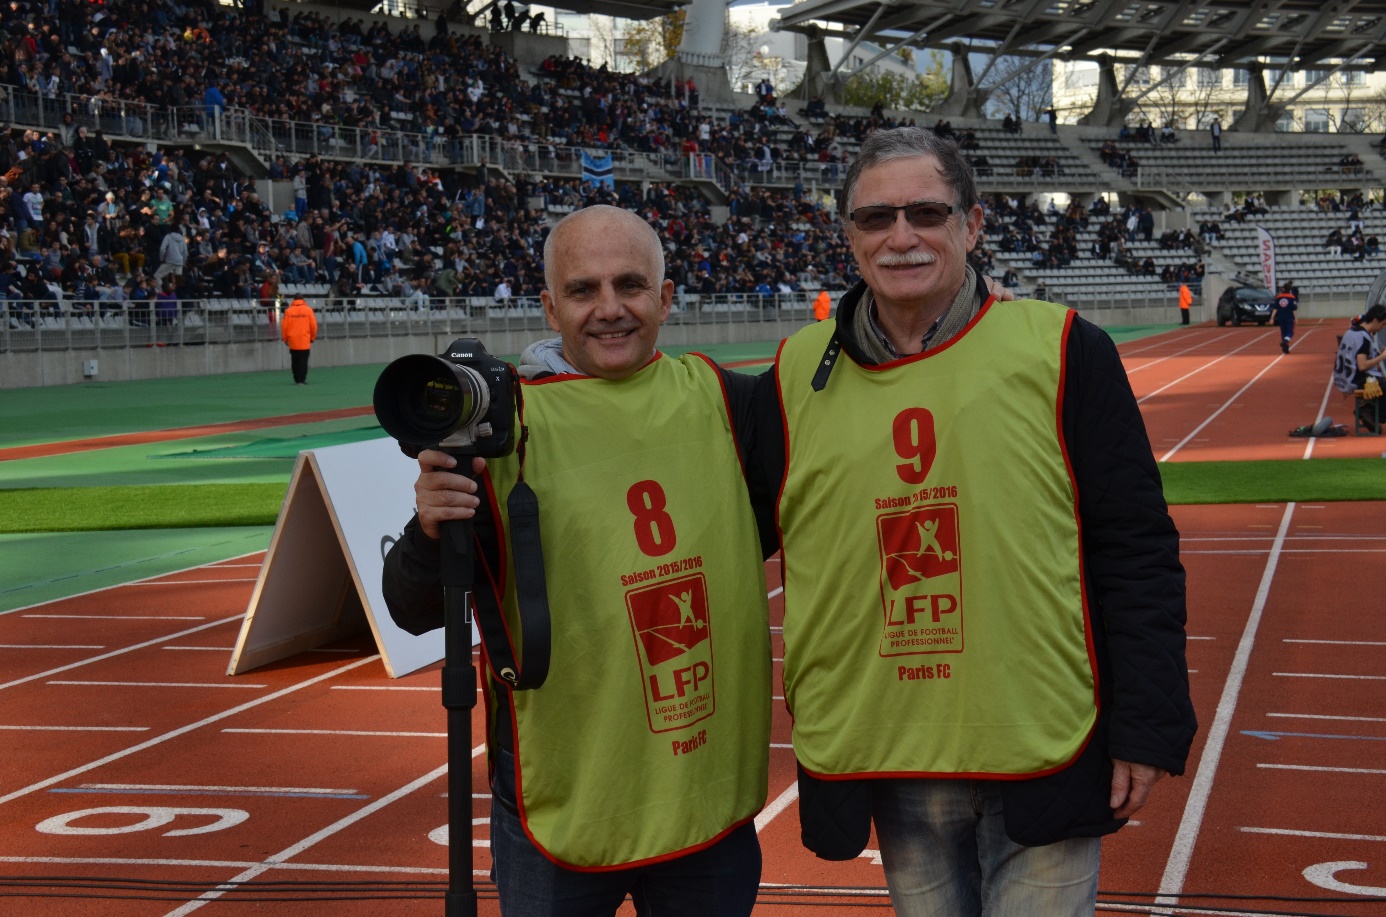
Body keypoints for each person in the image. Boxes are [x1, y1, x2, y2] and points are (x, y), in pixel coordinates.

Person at [758, 127, 1195, 917]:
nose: (901, 237)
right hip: (895, 752)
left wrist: (1148, 722)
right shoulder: (793, 374)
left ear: (973, 223)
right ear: (848, 235)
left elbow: (1134, 544)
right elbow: (706, 516)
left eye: (926, 212)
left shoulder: (1066, 351)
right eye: (875, 219)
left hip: (1042, 741)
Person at [381, 206, 773, 916]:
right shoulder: (499, 429)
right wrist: (430, 530)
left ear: (667, 295)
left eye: (630, 284)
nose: (610, 309)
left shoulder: (727, 401)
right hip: (558, 798)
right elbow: (408, 607)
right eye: (584, 289)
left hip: (705, 794)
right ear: (549, 305)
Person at [1332, 304, 1386, 433]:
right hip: (1355, 378)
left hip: (1344, 376)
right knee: (1384, 384)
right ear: (1375, 320)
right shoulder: (1364, 338)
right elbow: (1362, 365)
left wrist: (1378, 354)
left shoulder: (1352, 331)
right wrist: (1382, 357)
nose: (1383, 327)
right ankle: (1372, 413)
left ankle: (1369, 411)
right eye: (1383, 324)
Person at [280, 296, 317, 385]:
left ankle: (296, 378)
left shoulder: (289, 311)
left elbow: (284, 326)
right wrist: (312, 337)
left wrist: (285, 338)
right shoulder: (308, 310)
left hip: (293, 340)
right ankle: (302, 379)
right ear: (303, 300)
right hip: (305, 339)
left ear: (294, 300)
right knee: (303, 360)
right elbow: (313, 326)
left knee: (295, 360)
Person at [1272, 282, 1297, 354]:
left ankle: (1285, 348)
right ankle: (1285, 342)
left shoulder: (1278, 297)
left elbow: (1275, 308)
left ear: (1283, 288)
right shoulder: (1292, 297)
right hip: (1289, 317)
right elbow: (1294, 309)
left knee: (1283, 332)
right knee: (1290, 332)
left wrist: (1272, 318)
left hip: (1280, 317)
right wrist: (1296, 318)